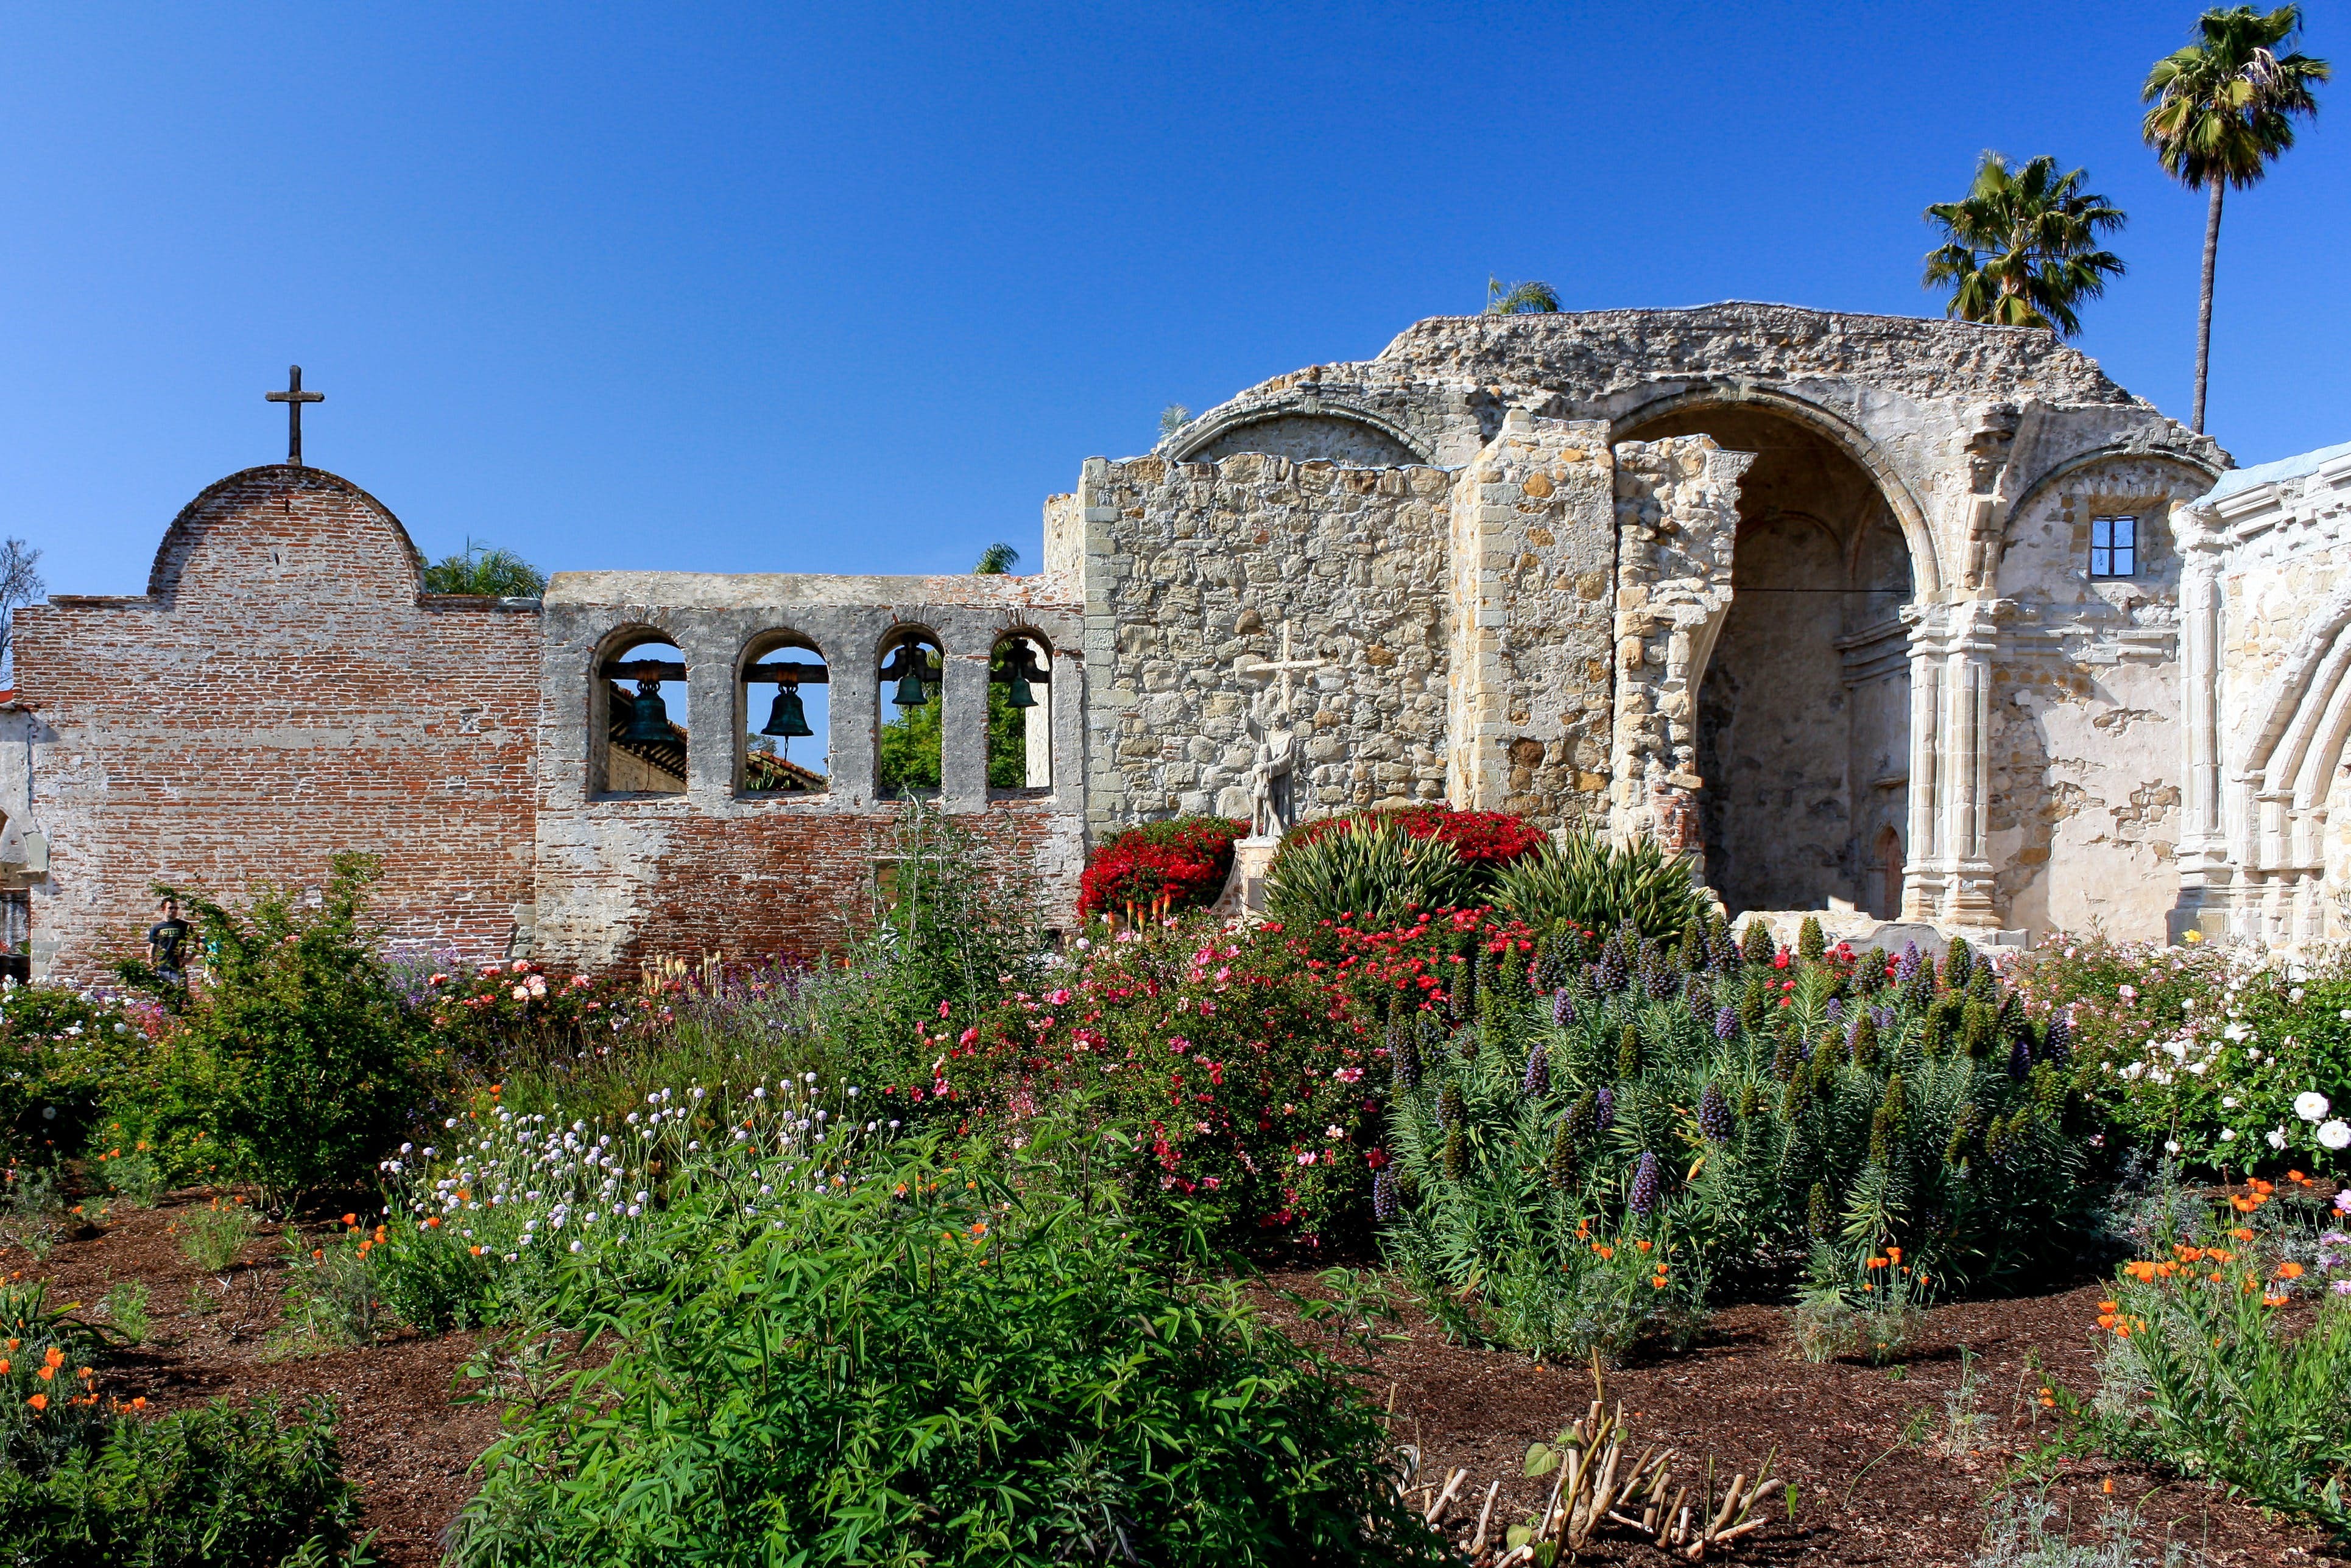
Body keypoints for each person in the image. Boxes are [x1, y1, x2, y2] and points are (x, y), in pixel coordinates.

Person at [147, 896, 190, 985]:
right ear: (163, 909)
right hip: (161, 968)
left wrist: (190, 958)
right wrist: (152, 964)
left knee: (181, 996)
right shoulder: (157, 928)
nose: (174, 911)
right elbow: (153, 947)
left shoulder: (184, 926)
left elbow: (199, 943)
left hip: (178, 968)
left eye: (176, 908)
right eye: (171, 908)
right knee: (163, 997)